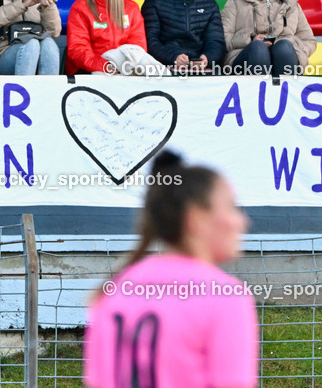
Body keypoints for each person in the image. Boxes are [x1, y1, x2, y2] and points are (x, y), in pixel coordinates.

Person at [84, 149, 258, 388]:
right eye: (232, 207)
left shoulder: (113, 292)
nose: (243, 221)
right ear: (196, 219)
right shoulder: (224, 296)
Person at [221, 0, 317, 76]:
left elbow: (309, 41)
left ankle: (284, 93)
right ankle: (258, 93)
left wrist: (286, 43)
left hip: (284, 58)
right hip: (245, 58)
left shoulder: (291, 5)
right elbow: (224, 39)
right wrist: (251, 40)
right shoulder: (234, 3)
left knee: (284, 48)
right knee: (258, 48)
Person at [65, 0, 156, 75]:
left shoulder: (131, 8)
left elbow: (137, 46)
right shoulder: (80, 7)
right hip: (91, 68)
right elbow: (78, 50)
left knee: (149, 66)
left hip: (124, 65)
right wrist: (106, 67)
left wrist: (123, 67)